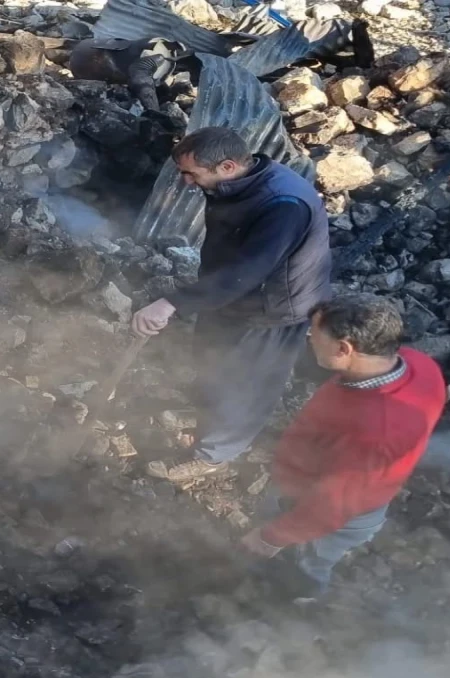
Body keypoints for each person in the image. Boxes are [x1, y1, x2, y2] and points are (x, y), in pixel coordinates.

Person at [132, 126, 331, 483]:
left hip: (272, 310)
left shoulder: (283, 205)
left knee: (243, 389)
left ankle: (214, 456)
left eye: (192, 175)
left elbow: (248, 272)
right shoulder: (236, 182)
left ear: (226, 166)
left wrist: (173, 302)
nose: (187, 183)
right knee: (212, 364)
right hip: (228, 294)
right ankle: (207, 420)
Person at [240, 295, 447, 597]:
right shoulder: (420, 365)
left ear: (344, 348)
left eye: (314, 334)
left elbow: (334, 505)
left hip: (342, 510)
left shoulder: (375, 432)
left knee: (313, 560)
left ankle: (301, 599)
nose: (309, 339)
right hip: (331, 485)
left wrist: (272, 538)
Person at [67, 37, 197, 112]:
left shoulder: (157, 44)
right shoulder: (150, 53)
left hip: (86, 55)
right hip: (82, 60)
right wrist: (155, 112)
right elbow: (140, 78)